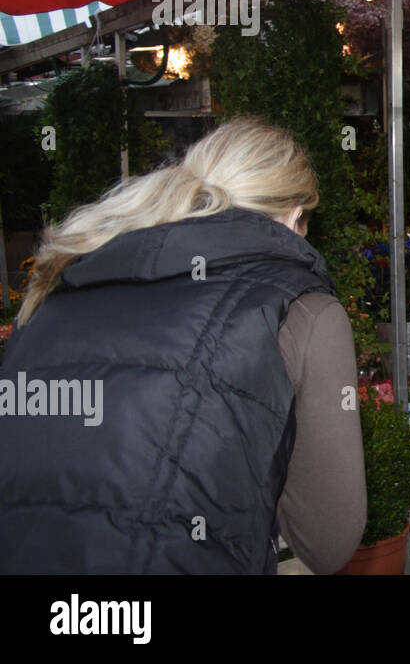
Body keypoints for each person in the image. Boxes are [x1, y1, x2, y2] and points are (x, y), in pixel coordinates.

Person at [0, 118, 366, 574]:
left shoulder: (54, 292)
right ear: (293, 215)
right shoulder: (302, 309)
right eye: (307, 222)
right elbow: (329, 542)